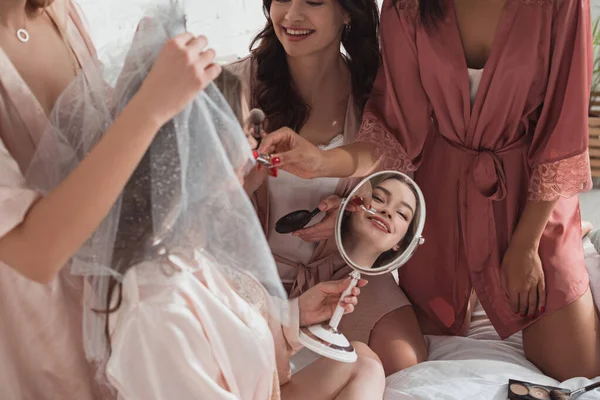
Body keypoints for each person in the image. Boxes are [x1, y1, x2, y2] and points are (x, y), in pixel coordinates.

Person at [28, 7, 385, 398]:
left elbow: (234, 328)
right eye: (246, 128)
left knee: (363, 361)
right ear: (199, 150)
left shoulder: (195, 254)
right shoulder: (158, 306)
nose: (257, 142)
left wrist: (298, 313)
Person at [259, 0, 600, 380]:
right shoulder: (407, 5)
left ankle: (582, 253)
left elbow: (563, 127)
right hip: (438, 194)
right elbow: (395, 130)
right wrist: (321, 163)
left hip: (531, 194)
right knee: (420, 347)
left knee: (578, 370)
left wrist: (525, 245)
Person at [0, 0, 222, 397]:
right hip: (33, 330)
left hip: (110, 303)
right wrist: (148, 107)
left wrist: (135, 83)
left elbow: (90, 151)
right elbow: (34, 252)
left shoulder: (57, 11)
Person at [227, 0, 427, 375]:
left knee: (406, 362)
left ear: (349, 12)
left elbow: (402, 193)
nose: (292, 15)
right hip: (250, 276)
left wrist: (350, 217)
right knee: (247, 373)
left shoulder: (375, 95)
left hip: (339, 275)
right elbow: (195, 206)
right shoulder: (235, 86)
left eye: (314, 1)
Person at [341, 174, 418, 270]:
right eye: (378, 198)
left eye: (401, 213)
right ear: (351, 203)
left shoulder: (382, 285)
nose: (388, 211)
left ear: (401, 242)